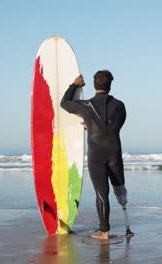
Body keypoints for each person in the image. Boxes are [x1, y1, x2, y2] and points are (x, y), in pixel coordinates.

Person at [60, 70, 128, 240]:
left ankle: (104, 232)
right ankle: (126, 216)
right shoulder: (120, 105)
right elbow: (115, 126)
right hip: (114, 152)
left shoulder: (87, 105)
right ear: (110, 85)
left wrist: (75, 84)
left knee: (101, 194)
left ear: (93, 84)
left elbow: (64, 103)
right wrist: (92, 125)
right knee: (119, 189)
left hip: (96, 154)